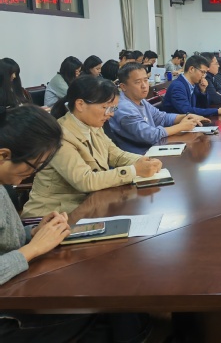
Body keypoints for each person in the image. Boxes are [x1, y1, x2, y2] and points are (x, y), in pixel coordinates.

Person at [0, 105, 153, 342]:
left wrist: (34, 232)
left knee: (116, 282)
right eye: (33, 166)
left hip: (16, 285)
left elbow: (6, 240)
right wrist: (33, 248)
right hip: (9, 315)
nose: (31, 175)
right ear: (3, 155)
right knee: (112, 298)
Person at [22, 76, 163, 217]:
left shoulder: (93, 125)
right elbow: (85, 180)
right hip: (54, 216)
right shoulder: (59, 136)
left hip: (89, 205)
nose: (111, 114)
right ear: (80, 104)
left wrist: (143, 161)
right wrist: (134, 170)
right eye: (106, 108)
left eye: (113, 108)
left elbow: (116, 155)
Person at [109, 63, 208, 154]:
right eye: (138, 82)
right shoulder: (123, 107)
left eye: (146, 80)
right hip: (139, 157)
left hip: (153, 149)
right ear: (123, 87)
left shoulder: (140, 100)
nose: (144, 86)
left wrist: (186, 116)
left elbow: (161, 117)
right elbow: (149, 135)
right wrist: (181, 126)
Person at [162, 54, 221, 118]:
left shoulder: (193, 84)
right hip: (177, 125)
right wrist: (217, 111)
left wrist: (203, 91)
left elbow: (203, 107)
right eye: (202, 72)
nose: (203, 76)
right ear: (191, 69)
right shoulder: (178, 86)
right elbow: (186, 111)